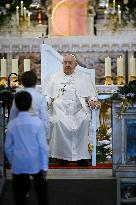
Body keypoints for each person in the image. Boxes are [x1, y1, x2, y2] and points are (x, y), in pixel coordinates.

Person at [46, 53, 100, 166]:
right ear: (62, 64)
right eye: (65, 62)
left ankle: (82, 157)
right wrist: (46, 102)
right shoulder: (54, 77)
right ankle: (62, 157)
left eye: (70, 63)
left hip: (78, 110)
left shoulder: (84, 78)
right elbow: (48, 96)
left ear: (75, 64)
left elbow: (91, 95)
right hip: (60, 111)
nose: (67, 65)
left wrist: (93, 100)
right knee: (57, 122)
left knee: (85, 121)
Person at [5, 91, 49, 205]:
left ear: (16, 105)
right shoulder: (38, 123)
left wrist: (12, 161)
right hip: (36, 162)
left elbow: (8, 148)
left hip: (18, 163)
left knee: (19, 195)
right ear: (30, 105)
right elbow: (43, 147)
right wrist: (44, 166)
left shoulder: (12, 124)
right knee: (41, 193)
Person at [9, 70, 49, 140]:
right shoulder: (40, 97)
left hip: (20, 130)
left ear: (22, 82)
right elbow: (44, 117)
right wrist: (46, 135)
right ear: (36, 82)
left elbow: (13, 114)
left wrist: (11, 130)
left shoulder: (18, 95)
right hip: (36, 130)